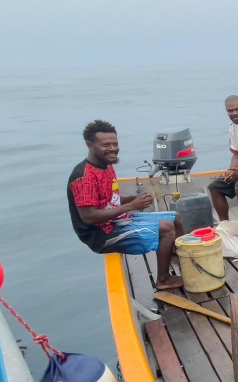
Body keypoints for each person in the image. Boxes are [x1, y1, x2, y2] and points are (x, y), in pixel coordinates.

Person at [67, 120, 184, 290]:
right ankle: (163, 280)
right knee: (165, 228)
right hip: (100, 234)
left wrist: (130, 199)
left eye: (115, 143)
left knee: (176, 218)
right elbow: (89, 217)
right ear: (90, 144)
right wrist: (130, 206)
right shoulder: (84, 177)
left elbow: (108, 199)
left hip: (117, 219)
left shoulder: (106, 165)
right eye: (106, 145)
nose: (113, 148)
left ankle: (173, 254)